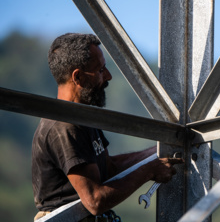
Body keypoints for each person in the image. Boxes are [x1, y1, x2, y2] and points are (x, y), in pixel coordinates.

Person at [32, 33, 182, 221]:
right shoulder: (63, 127)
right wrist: (149, 170)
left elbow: (109, 168)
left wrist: (156, 153)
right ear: (77, 77)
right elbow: (95, 201)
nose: (108, 76)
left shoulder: (83, 119)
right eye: (101, 70)